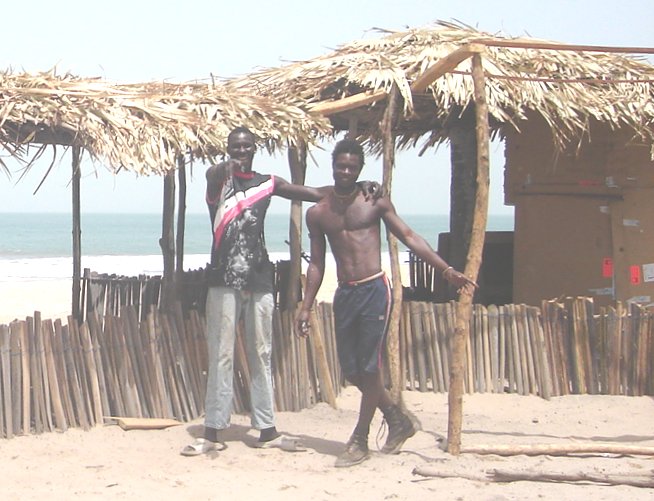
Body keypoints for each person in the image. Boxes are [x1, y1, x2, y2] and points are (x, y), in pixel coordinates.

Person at [181, 127, 381, 456]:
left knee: (262, 353)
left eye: (246, 146)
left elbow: (314, 192)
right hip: (223, 280)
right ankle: (213, 430)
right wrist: (225, 166)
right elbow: (213, 171)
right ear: (228, 149)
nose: (241, 151)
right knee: (222, 353)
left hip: (259, 279)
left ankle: (267, 429)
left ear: (255, 149)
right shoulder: (218, 182)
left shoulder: (267, 183)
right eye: (235, 147)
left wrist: (358, 187)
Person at [295, 138, 477, 468]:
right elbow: (317, 263)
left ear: (360, 169)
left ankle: (360, 439)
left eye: (353, 167)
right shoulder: (318, 212)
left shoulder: (373, 200)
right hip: (346, 293)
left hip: (374, 290)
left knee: (369, 367)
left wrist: (445, 268)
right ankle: (396, 417)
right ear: (333, 166)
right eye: (341, 166)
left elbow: (408, 236)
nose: (346, 171)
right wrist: (306, 305)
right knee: (352, 371)